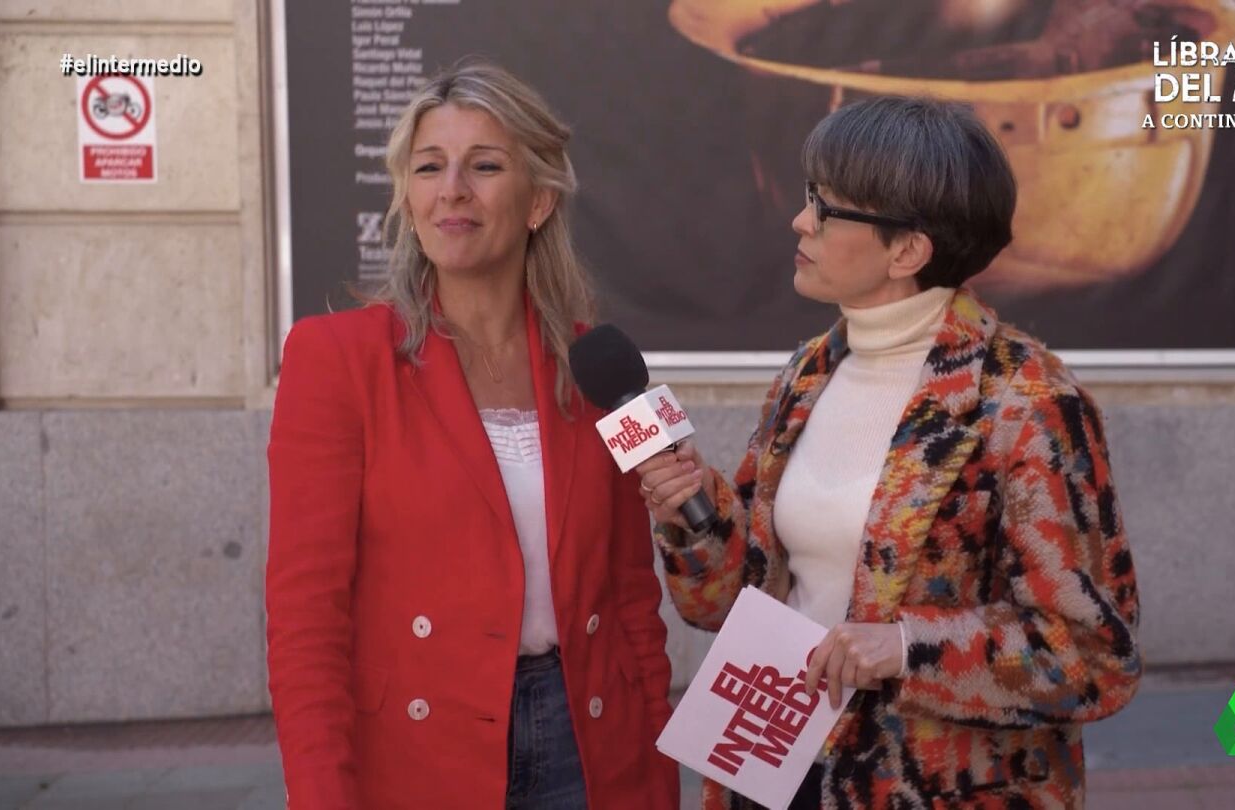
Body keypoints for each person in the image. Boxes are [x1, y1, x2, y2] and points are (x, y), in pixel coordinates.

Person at [636, 96, 1141, 808]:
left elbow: (1094, 656)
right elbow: (733, 600)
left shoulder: (1026, 401)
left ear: (907, 251)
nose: (800, 221)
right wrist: (691, 511)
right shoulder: (809, 372)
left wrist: (905, 646)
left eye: (825, 207)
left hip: (932, 787)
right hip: (775, 767)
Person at [266, 59, 678, 810]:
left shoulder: (595, 364)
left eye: (484, 166)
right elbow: (306, 615)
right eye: (429, 167)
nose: (452, 189)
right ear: (408, 197)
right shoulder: (336, 359)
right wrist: (321, 792)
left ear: (538, 200)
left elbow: (630, 595)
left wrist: (655, 771)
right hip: (419, 753)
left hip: (589, 742)